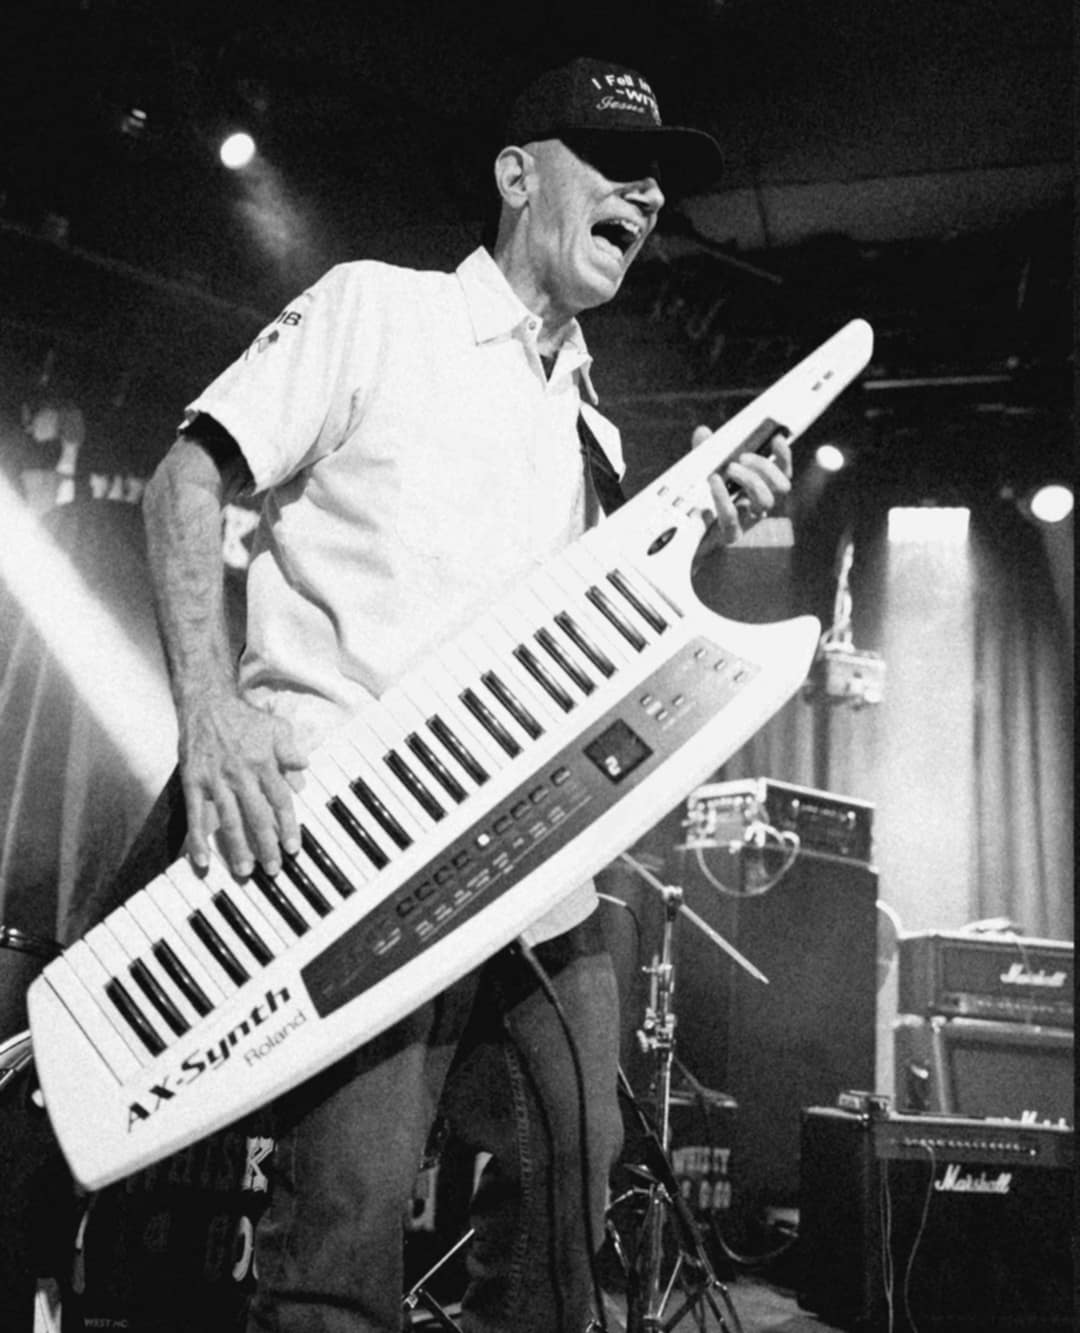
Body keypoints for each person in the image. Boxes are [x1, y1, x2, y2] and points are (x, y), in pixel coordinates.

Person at [125, 56, 792, 1333]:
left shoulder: (592, 425)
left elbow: (588, 653)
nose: (648, 196)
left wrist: (692, 537)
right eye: (616, 163)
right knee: (350, 1218)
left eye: (661, 181)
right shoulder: (378, 310)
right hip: (358, 853)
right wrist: (210, 711)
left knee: (569, 1195)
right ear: (516, 175)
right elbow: (182, 483)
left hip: (532, 867)